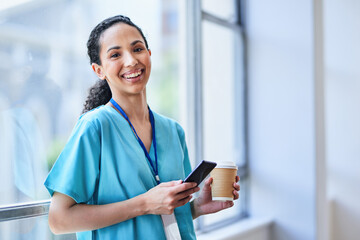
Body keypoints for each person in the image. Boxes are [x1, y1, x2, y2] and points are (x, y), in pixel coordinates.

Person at [44, 15, 240, 240]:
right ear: (99, 70)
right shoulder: (94, 127)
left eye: (137, 49)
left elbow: (164, 215)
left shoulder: (173, 131)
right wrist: (144, 204)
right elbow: (59, 220)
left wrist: (197, 207)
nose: (131, 61)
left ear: (149, 54)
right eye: (116, 54)